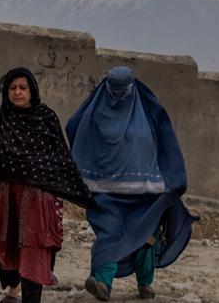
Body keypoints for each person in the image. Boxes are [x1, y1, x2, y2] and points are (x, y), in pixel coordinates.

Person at [66, 67, 197, 301]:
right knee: (110, 234)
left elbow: (165, 141)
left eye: (122, 91)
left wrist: (173, 179)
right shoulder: (95, 112)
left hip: (143, 193)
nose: (117, 96)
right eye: (113, 90)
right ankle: (102, 284)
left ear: (132, 87)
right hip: (104, 191)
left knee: (146, 237)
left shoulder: (147, 112)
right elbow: (74, 126)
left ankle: (144, 284)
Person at [0, 67, 95, 303]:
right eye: (12, 88)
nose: (17, 92)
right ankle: (13, 287)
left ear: (32, 91)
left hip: (38, 202)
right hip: (5, 199)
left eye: (22, 88)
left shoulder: (46, 118)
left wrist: (58, 189)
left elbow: (60, 157)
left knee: (34, 253)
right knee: (5, 251)